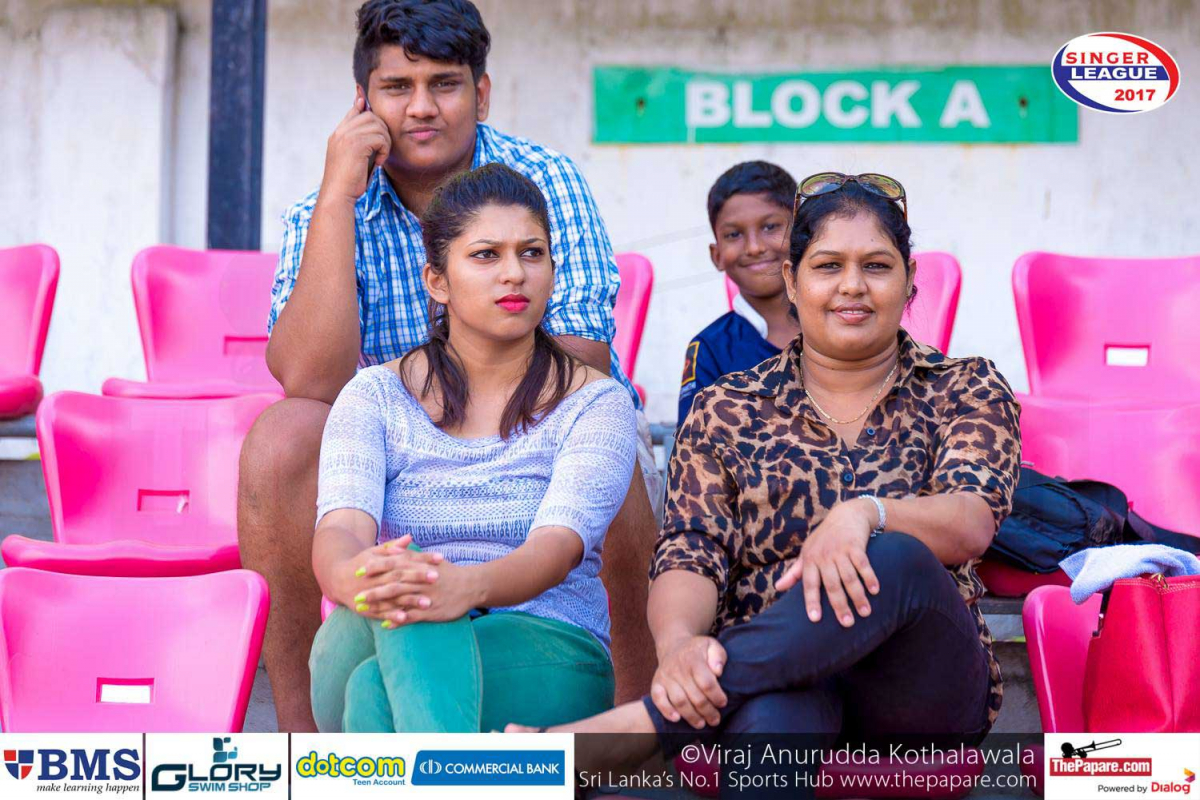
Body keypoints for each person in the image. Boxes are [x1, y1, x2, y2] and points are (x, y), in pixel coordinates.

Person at [510, 173, 1021, 799]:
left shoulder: (964, 387)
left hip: (920, 687)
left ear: (910, 279)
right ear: (792, 281)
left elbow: (971, 520)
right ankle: (677, 709)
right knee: (772, 722)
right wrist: (678, 647)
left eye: (876, 266)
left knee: (894, 555)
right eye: (828, 266)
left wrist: (864, 513)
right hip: (774, 682)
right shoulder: (728, 408)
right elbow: (691, 549)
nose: (852, 285)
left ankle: (640, 727)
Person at [239, 0, 659, 732]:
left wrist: (447, 402)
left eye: (445, 84)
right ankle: (301, 744)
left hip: (534, 438)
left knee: (607, 425)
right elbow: (308, 380)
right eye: (397, 87)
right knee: (281, 438)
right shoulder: (327, 206)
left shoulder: (543, 181)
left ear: (482, 93)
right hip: (398, 459)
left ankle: (631, 725)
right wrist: (338, 196)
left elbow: (583, 357)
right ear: (362, 101)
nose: (422, 108)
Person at [308, 163, 636, 732]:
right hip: (390, 625)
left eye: (532, 254)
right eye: (486, 255)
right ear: (437, 281)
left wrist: (458, 587)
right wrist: (356, 576)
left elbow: (556, 550)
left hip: (546, 642)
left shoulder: (595, 402)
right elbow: (340, 530)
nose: (514, 274)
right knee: (396, 600)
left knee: (374, 684)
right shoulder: (374, 396)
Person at [678, 161, 800, 423]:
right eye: (734, 234)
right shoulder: (711, 349)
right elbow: (692, 442)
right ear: (717, 255)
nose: (754, 247)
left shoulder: (838, 324)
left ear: (801, 235)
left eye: (770, 227)